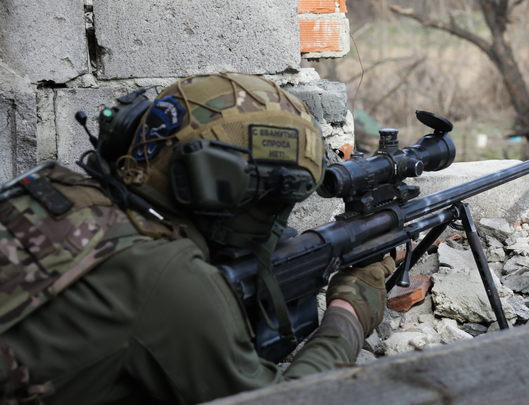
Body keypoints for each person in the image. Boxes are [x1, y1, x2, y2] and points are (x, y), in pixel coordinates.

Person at [0, 72, 394, 404]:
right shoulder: (163, 276)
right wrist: (348, 315)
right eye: (278, 200)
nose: (279, 219)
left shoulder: (59, 191)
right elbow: (283, 400)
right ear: (218, 187)